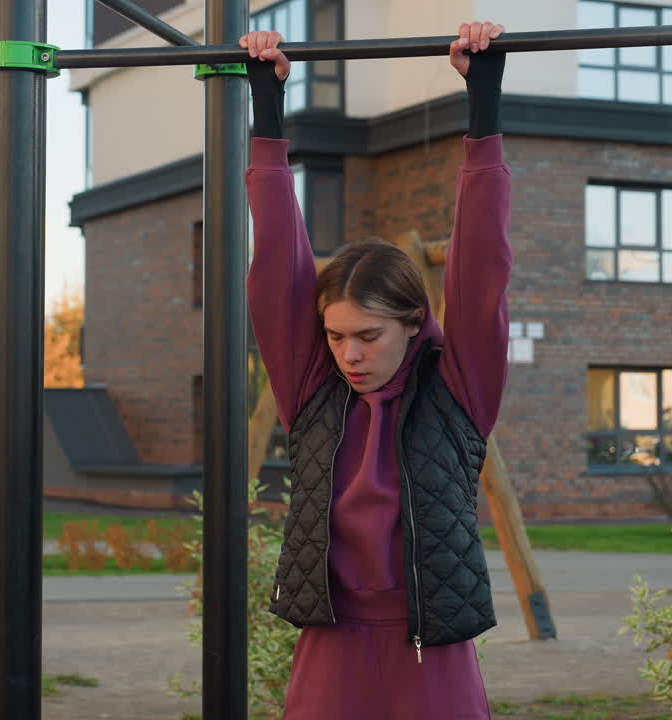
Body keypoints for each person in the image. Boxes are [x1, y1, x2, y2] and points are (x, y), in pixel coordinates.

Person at [241, 19, 514, 720]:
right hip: (331, 645)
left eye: (368, 336)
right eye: (335, 337)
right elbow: (277, 261)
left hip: (432, 651)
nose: (349, 355)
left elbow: (482, 264)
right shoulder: (313, 391)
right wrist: (266, 107)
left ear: (414, 325)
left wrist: (483, 98)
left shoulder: (458, 391)